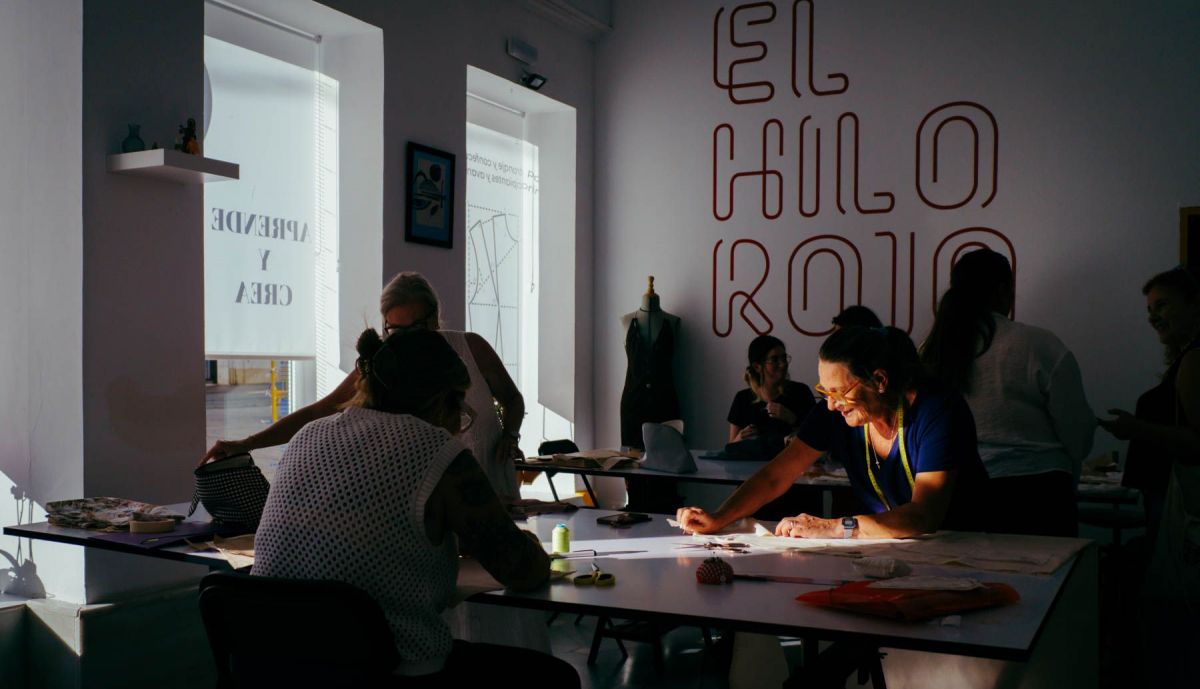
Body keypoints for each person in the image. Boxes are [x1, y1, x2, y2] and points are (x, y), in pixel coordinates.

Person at [251, 329, 578, 686]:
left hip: (272, 664)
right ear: (441, 401)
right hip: (386, 667)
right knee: (554, 677)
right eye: (461, 409)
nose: (459, 424)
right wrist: (529, 544)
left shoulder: (307, 435)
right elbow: (522, 570)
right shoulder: (438, 452)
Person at [202, 272, 526, 503]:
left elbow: (513, 400)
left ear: (434, 319)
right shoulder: (381, 365)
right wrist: (248, 442)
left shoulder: (472, 349)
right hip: (433, 501)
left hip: (492, 485)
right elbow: (319, 410)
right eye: (393, 330)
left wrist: (510, 435)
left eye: (413, 328)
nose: (403, 340)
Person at [678, 326, 990, 538]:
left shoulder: (938, 410)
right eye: (824, 392)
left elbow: (923, 516)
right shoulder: (837, 411)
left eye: (839, 393)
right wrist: (720, 517)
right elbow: (777, 475)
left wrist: (831, 527)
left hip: (972, 547)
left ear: (879, 381)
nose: (830, 405)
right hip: (903, 549)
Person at [920, 248, 1094, 537]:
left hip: (956, 493)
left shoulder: (932, 349)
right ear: (1003, 290)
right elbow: (1078, 436)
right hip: (1038, 494)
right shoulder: (1038, 344)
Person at [1099, 266, 1200, 685]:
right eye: (1149, 311)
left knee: (1176, 618)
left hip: (1185, 511)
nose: (1153, 318)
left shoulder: (1196, 358)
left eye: (1163, 306)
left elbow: (1197, 443)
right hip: (1172, 505)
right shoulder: (1188, 356)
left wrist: (1136, 429)